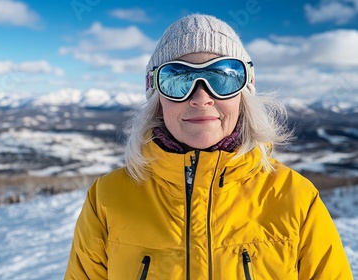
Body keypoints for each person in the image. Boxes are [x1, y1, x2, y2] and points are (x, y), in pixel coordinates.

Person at [65, 14, 353, 279]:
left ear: (245, 92)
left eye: (222, 78)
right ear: (156, 95)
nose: (201, 97)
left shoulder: (297, 200)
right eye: (179, 79)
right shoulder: (106, 199)